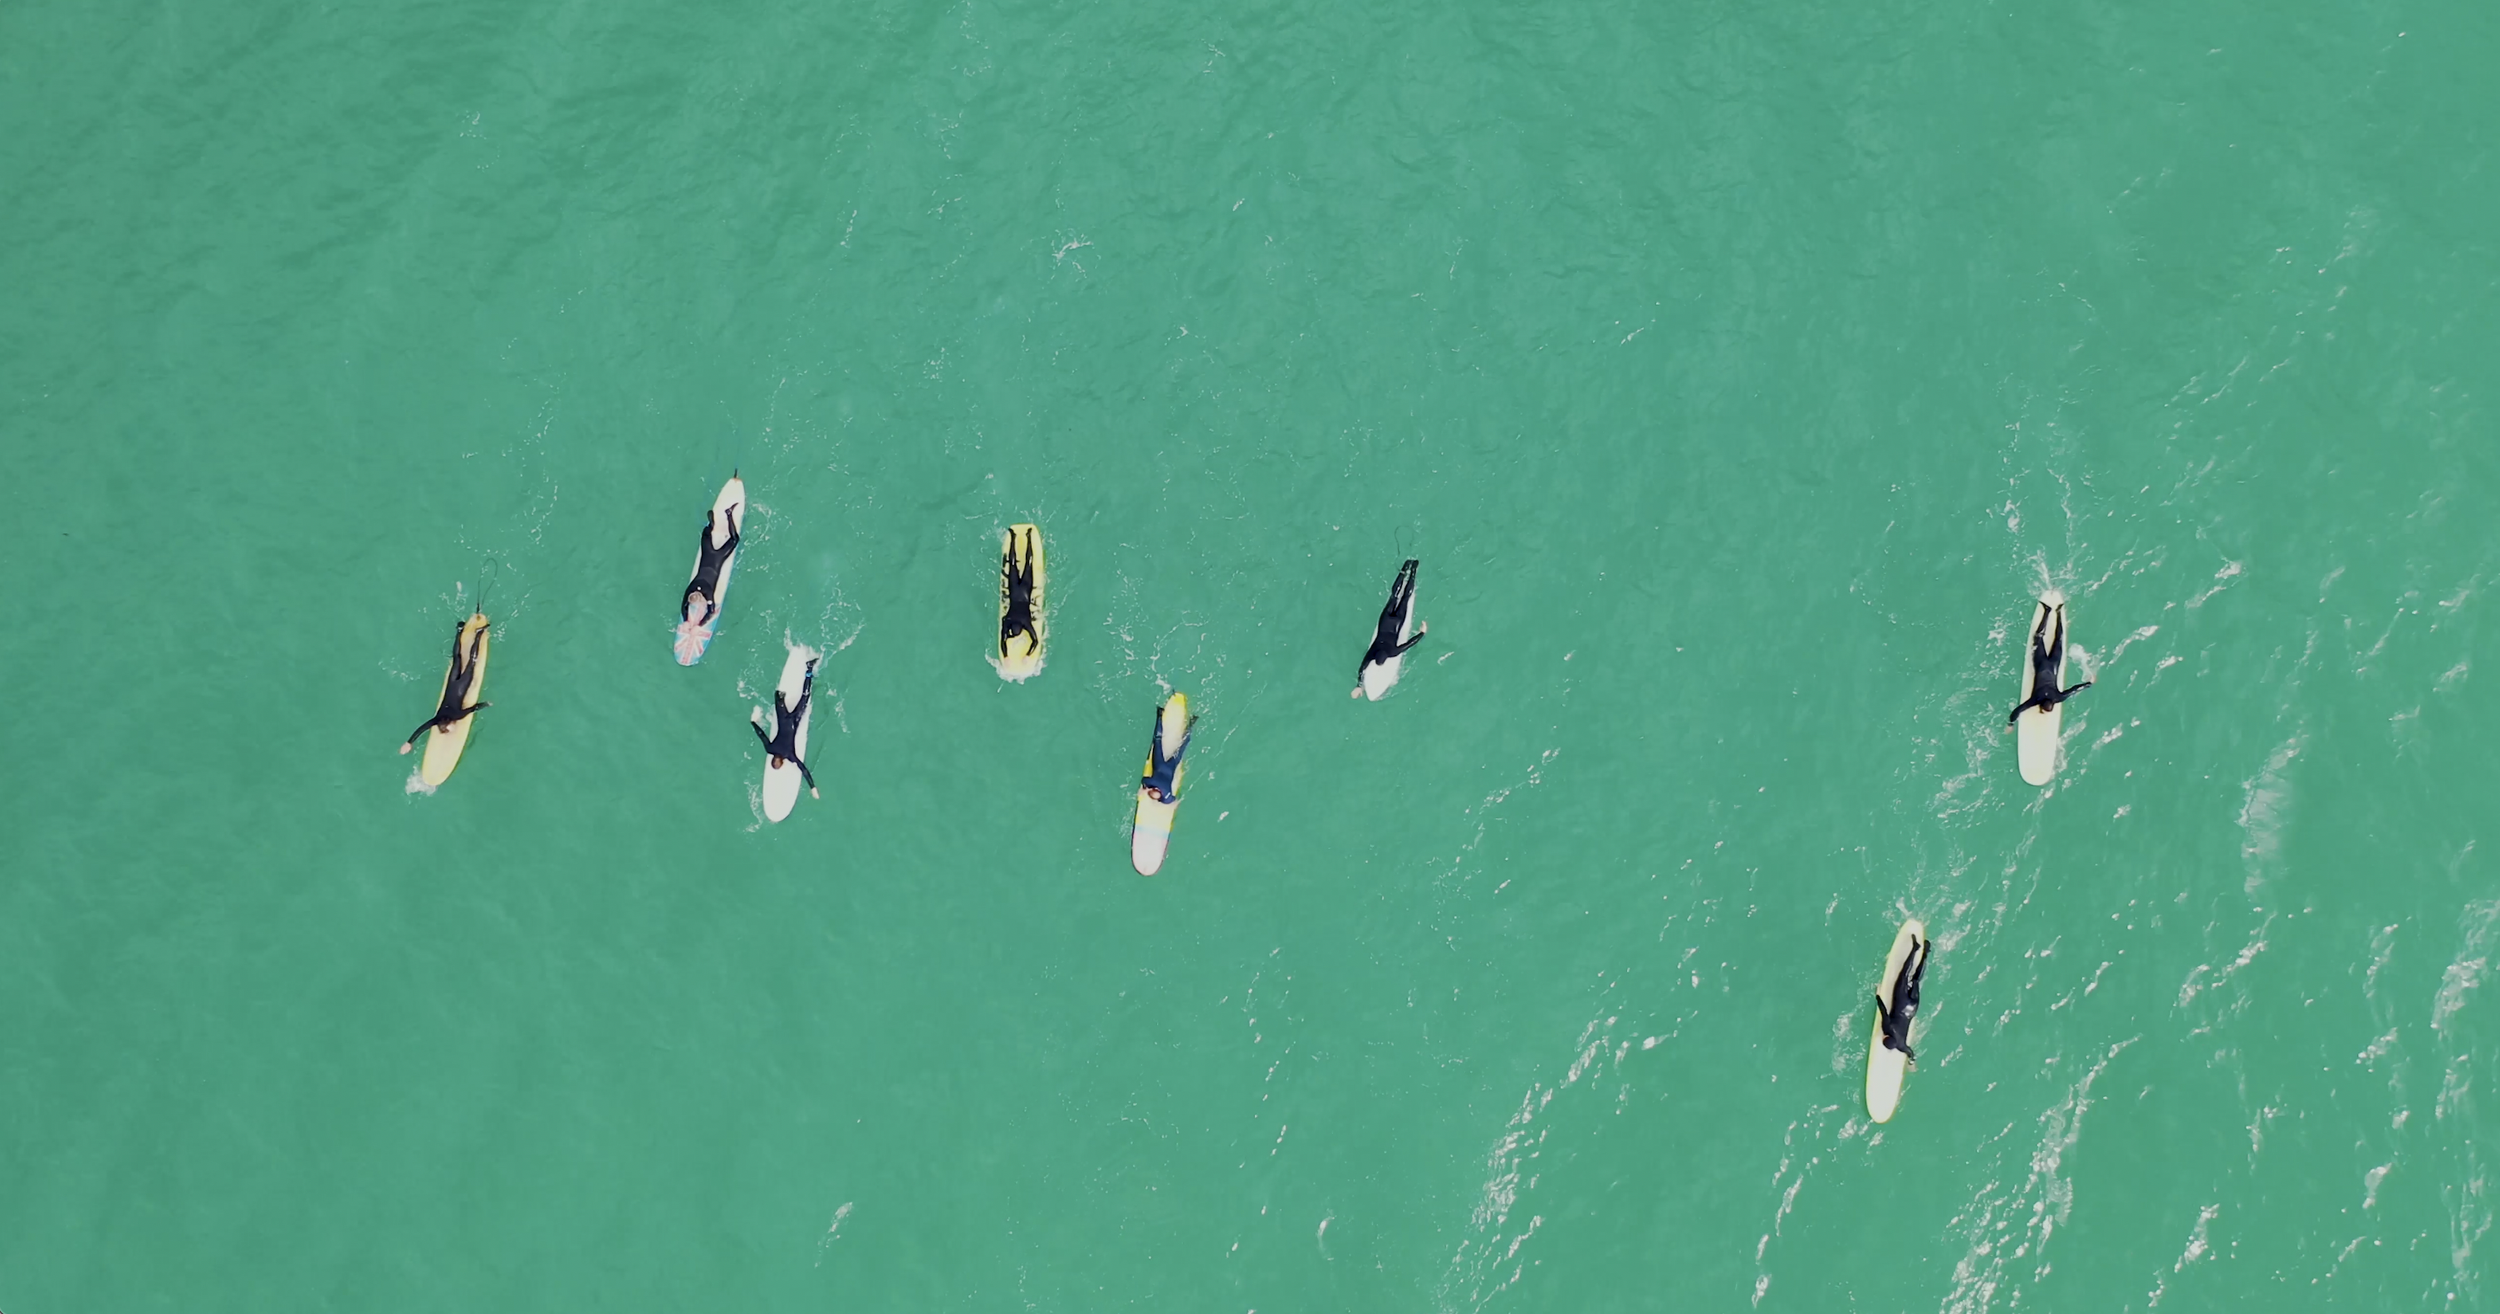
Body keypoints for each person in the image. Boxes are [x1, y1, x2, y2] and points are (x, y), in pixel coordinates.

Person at [400, 618, 490, 753]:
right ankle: (459, 631)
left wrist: (487, 704)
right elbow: (421, 729)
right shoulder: (435, 720)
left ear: (449, 724)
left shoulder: (458, 716)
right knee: (457, 659)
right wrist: (409, 742)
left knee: (472, 662)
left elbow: (474, 708)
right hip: (452, 681)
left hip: (462, 685)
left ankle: (479, 634)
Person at [1350, 557, 1429, 697]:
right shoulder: (1375, 652)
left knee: (1404, 598)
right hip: (1385, 619)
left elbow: (1410, 643)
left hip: (1397, 621)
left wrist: (1422, 633)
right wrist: (1359, 685)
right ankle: (1406, 568)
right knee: (1394, 597)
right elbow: (1362, 668)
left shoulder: (1391, 652)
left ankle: (1414, 570)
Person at [2007, 602, 2092, 724]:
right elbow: (2017, 711)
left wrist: (2089, 683)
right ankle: (2048, 611)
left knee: (2059, 640)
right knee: (2039, 637)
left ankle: (2057, 612)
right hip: (2041, 662)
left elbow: (2075, 689)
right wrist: (2010, 723)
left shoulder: (2058, 697)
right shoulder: (2035, 699)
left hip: (2053, 663)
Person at [750, 657, 821, 797]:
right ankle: (781, 697)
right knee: (778, 697)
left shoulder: (790, 755)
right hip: (783, 717)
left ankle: (809, 669)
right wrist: (753, 722)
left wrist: (813, 787)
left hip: (795, 719)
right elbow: (761, 735)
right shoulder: (770, 749)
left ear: (782, 762)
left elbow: (804, 769)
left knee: (805, 696)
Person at [681, 502, 742, 628]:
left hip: (718, 558)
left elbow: (711, 612)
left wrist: (698, 625)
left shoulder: (708, 593)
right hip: (707, 553)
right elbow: (684, 606)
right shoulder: (691, 589)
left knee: (735, 540)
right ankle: (711, 525)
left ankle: (728, 514)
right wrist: (687, 620)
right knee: (706, 536)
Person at [1874, 934, 1929, 1064]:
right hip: (1902, 1002)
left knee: (1916, 980)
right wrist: (1877, 995)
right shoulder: (1887, 1028)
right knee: (1904, 974)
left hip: (1912, 1008)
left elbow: (1910, 1052)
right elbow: (1883, 1011)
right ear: (1886, 1037)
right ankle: (1915, 948)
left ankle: (1925, 952)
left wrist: (1911, 1062)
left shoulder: (1901, 1046)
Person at [1140, 701, 1195, 804]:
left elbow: (1173, 799)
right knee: (1158, 740)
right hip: (1160, 766)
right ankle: (1160, 714)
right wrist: (1146, 789)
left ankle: (1192, 723)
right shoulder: (1153, 782)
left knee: (1181, 748)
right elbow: (1144, 780)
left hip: (1170, 767)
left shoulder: (1167, 794)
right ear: (1156, 790)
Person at [1000, 526, 1041, 658]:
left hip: (1026, 590)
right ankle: (1016, 537)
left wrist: (1027, 655)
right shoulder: (1008, 620)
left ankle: (1021, 537)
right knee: (1013, 564)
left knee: (1028, 563)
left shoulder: (1024, 622)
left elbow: (1035, 641)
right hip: (1014, 589)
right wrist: (1006, 655)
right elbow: (1004, 640)